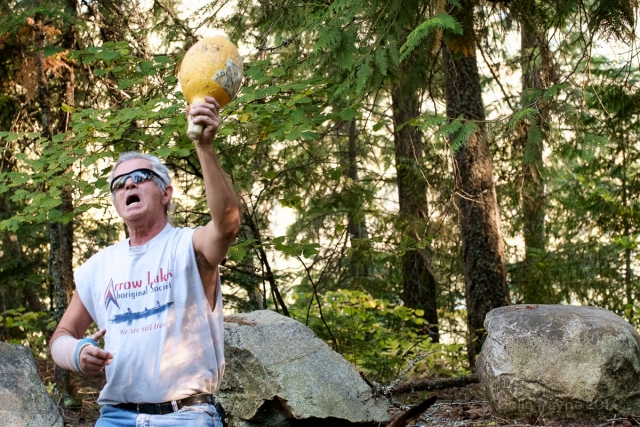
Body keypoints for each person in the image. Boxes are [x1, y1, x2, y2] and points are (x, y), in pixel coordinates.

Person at [49, 97, 239, 427]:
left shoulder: (187, 246)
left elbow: (227, 225)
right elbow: (61, 336)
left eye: (140, 176)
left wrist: (205, 148)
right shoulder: (99, 266)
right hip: (115, 416)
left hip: (187, 415)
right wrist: (76, 353)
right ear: (117, 202)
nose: (128, 184)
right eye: (118, 183)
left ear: (166, 193)